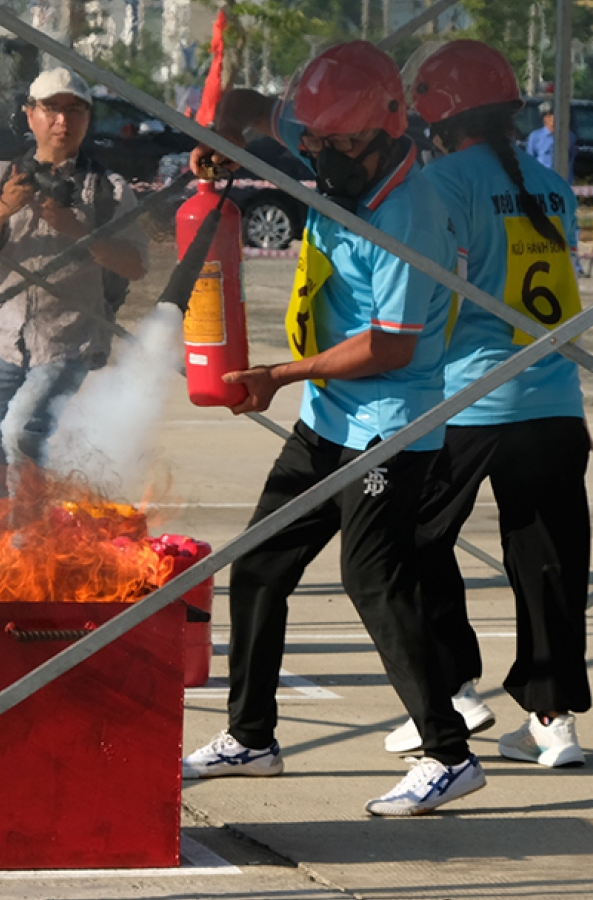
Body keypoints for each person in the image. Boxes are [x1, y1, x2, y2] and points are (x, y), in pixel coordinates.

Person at [179, 42, 483, 817]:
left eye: (343, 144)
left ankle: (448, 754)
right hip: (328, 419)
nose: (325, 156)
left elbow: (391, 344)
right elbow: (248, 114)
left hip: (387, 427)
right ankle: (252, 737)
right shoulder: (333, 157)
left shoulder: (408, 213)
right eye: (317, 142)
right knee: (258, 565)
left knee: (372, 579)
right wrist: (224, 149)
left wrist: (281, 375)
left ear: (385, 131)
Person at [379, 40, 593, 769]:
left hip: (470, 399)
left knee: (407, 541)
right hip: (556, 401)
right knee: (549, 563)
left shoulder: (441, 182)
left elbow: (433, 296)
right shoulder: (550, 183)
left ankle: (451, 690)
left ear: (437, 114)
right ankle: (553, 718)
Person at [0, 67, 149, 502]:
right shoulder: (3, 177)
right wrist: (3, 210)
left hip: (70, 341)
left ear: (87, 118)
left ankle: (29, 543)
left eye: (74, 110)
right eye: (51, 109)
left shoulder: (109, 189)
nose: (62, 121)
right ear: (30, 115)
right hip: (4, 340)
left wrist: (77, 230)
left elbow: (135, 264)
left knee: (21, 434)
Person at [526, 102, 575, 171]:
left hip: (562, 178)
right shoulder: (535, 136)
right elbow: (530, 161)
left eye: (556, 114)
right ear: (544, 118)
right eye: (550, 115)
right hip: (543, 178)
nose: (553, 118)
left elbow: (571, 157)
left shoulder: (569, 136)